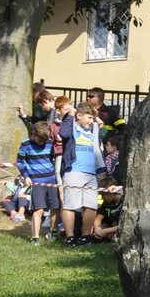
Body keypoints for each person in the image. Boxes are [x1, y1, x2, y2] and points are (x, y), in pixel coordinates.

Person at [58, 102, 103, 245]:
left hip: (91, 174)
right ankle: (70, 237)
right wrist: (70, 115)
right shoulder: (72, 126)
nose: (91, 121)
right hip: (74, 171)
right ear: (79, 115)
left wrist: (98, 123)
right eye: (89, 118)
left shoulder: (92, 130)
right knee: (70, 205)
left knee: (91, 205)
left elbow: (100, 140)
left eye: (92, 118)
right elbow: (63, 133)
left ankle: (85, 236)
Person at [16, 120, 60, 244]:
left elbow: (54, 158)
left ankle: (54, 232)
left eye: (44, 141)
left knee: (56, 207)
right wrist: (26, 176)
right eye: (40, 140)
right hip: (36, 182)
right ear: (33, 134)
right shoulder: (25, 144)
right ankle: (35, 237)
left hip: (51, 180)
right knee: (38, 209)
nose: (42, 143)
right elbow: (20, 162)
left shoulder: (50, 143)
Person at [89, 175, 124, 242]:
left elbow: (123, 225)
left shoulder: (123, 202)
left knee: (116, 236)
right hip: (109, 227)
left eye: (102, 195)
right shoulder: (105, 204)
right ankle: (103, 237)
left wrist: (105, 231)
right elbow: (98, 219)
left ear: (110, 193)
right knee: (92, 230)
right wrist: (97, 230)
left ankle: (108, 237)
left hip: (119, 228)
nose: (102, 198)